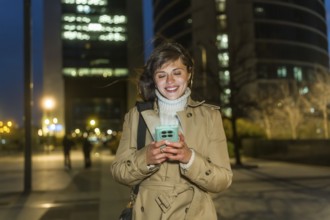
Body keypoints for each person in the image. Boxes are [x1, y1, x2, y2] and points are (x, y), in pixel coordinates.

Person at [111, 41, 233, 219]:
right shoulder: (136, 116)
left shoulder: (210, 116)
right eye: (162, 75)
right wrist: (146, 158)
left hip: (196, 213)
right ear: (153, 78)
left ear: (189, 74)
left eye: (177, 73)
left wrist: (189, 158)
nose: (170, 81)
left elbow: (223, 180)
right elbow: (118, 171)